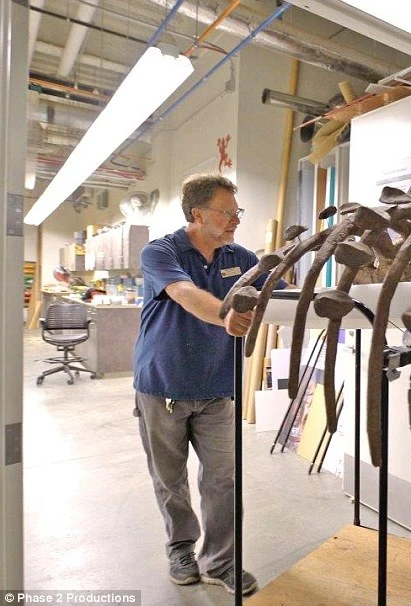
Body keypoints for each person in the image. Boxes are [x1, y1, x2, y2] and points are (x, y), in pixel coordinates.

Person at [132, 174, 282, 596]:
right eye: (227, 212)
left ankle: (220, 561)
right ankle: (181, 549)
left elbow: (280, 293)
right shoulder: (161, 251)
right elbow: (183, 292)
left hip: (217, 387)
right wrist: (226, 315)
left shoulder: (240, 257)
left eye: (238, 211)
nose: (236, 219)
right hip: (162, 385)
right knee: (170, 478)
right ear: (197, 214)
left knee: (223, 479)